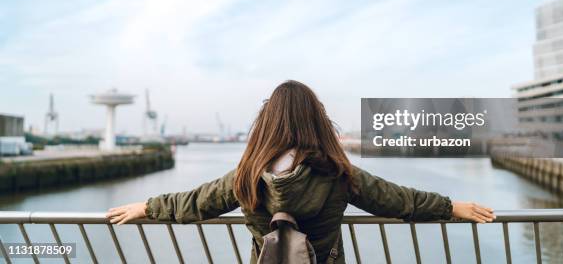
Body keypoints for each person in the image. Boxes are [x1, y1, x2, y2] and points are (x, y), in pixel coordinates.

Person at [107, 80, 494, 263]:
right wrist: (450, 207)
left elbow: (196, 202)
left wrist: (148, 206)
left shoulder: (247, 175)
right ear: (316, 121)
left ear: (267, 122)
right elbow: (395, 199)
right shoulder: (337, 172)